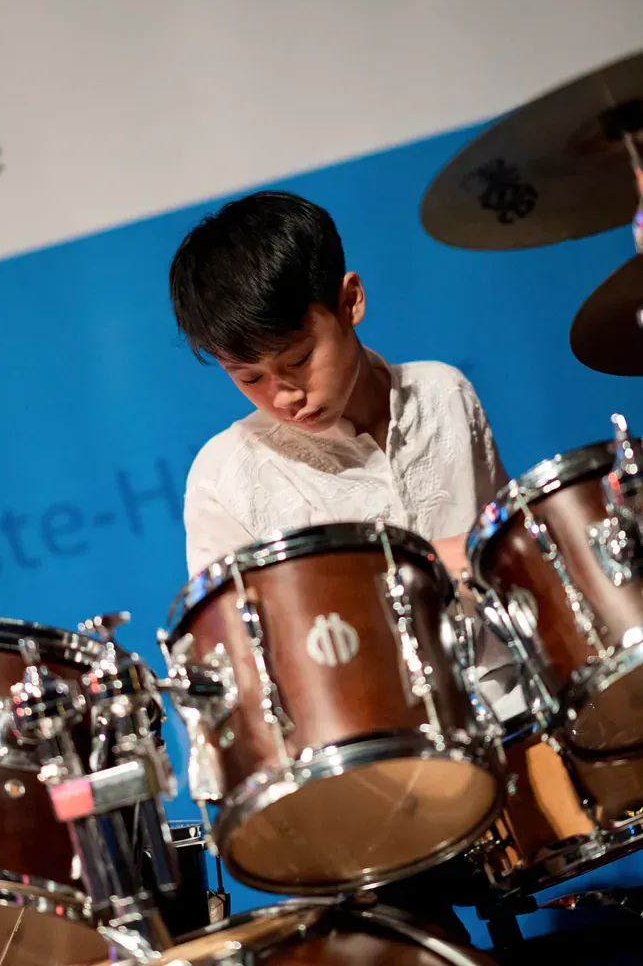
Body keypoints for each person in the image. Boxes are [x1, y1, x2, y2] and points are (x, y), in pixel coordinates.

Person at [168, 189, 518, 938]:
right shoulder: (225, 476)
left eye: (297, 359)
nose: (284, 393)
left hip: (506, 726)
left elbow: (514, 582)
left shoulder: (445, 395)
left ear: (349, 300)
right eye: (249, 378)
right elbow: (230, 678)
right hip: (370, 786)